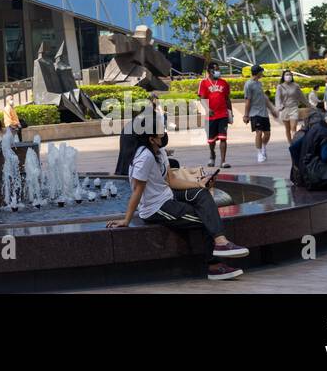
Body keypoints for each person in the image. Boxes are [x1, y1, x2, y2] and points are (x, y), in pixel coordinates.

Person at [106, 119, 249, 280]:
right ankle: (214, 266)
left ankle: (221, 241)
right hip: (156, 208)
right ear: (151, 139)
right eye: (161, 133)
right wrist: (126, 220)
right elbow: (137, 191)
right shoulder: (144, 158)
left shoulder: (159, 151)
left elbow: (171, 180)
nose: (164, 135)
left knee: (202, 194)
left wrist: (198, 184)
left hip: (169, 195)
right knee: (206, 218)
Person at [197, 65, 233, 167]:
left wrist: (231, 112)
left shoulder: (224, 83)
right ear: (209, 71)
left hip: (223, 114)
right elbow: (202, 99)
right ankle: (212, 154)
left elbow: (227, 99)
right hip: (211, 116)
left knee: (223, 138)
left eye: (218, 69)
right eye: (215, 69)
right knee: (211, 141)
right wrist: (208, 109)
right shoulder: (204, 83)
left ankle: (223, 161)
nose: (218, 71)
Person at [241, 65, 275, 162]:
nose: (262, 74)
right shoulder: (248, 84)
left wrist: (272, 109)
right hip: (254, 113)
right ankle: (259, 153)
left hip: (263, 112)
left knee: (267, 134)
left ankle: (263, 146)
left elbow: (264, 98)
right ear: (258, 72)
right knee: (259, 132)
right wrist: (246, 115)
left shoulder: (259, 84)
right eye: (261, 72)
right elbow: (247, 101)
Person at [274, 68, 307, 143]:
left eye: (290, 75)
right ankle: (290, 144)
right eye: (286, 74)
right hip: (284, 109)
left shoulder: (296, 86)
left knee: (293, 127)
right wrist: (278, 107)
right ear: (283, 76)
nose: (288, 76)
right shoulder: (280, 86)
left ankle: (295, 144)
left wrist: (309, 105)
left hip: (294, 108)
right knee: (287, 129)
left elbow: (302, 97)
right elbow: (277, 98)